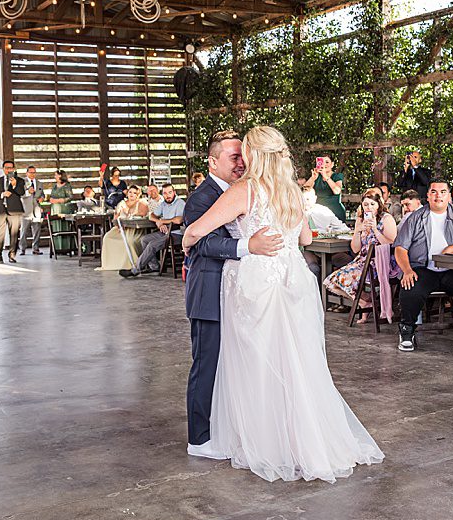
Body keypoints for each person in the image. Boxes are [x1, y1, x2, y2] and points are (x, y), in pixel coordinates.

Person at [182, 125, 384, 482]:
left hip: (257, 282)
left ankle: (264, 441)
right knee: (295, 363)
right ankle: (300, 441)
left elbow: (195, 232)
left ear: (254, 155)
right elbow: (305, 237)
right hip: (294, 281)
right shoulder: (291, 190)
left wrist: (187, 239)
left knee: (256, 364)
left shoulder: (247, 190)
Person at [180, 130, 283, 459]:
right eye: (233, 157)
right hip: (209, 291)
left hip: (240, 291)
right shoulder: (201, 197)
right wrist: (247, 247)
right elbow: (202, 243)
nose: (241, 163)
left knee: (234, 364)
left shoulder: (252, 190)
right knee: (207, 364)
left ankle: (230, 428)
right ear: (212, 161)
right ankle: (199, 439)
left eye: (243, 156)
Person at [394, 178, 453, 355]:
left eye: (443, 192)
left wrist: (452, 248)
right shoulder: (415, 217)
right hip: (424, 268)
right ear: (427, 195)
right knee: (410, 286)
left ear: (449, 196)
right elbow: (400, 248)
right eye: (434, 192)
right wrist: (407, 270)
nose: (438, 196)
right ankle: (406, 332)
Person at [324, 189, 398, 322]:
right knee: (330, 282)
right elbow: (356, 249)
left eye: (372, 204)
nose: (369, 208)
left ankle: (367, 303)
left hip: (381, 262)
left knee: (342, 278)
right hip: (362, 261)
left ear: (378, 205)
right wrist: (357, 231)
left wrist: (375, 229)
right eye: (365, 204)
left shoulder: (387, 219)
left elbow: (391, 244)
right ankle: (365, 302)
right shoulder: (360, 219)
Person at [119, 184, 185, 277]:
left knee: (152, 245)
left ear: (174, 192)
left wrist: (162, 221)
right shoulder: (164, 204)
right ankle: (154, 267)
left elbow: (178, 220)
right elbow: (151, 215)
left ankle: (135, 270)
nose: (167, 195)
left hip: (177, 235)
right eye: (165, 193)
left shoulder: (180, 203)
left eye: (170, 192)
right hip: (165, 232)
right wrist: (158, 221)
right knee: (144, 239)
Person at [99, 184, 151, 271]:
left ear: (138, 195)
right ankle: (113, 264)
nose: (131, 194)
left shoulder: (142, 202)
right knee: (107, 237)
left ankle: (133, 264)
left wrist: (130, 214)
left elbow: (143, 214)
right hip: (121, 228)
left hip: (135, 229)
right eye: (130, 192)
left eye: (134, 193)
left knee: (130, 241)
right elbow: (115, 219)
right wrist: (118, 222)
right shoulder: (122, 203)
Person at [0, 160, 26, 263]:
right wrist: (2, 194)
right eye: (7, 168)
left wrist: (14, 185)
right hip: (1, 211)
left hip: (15, 211)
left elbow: (21, 193)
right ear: (3, 169)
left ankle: (12, 255)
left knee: (14, 234)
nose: (9, 170)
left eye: (11, 168)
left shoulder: (20, 180)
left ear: (14, 169)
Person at [308, 155, 346, 221]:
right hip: (319, 213)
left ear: (332, 164)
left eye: (327, 162)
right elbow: (305, 190)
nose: (324, 164)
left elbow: (337, 191)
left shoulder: (337, 176)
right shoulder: (316, 177)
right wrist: (312, 178)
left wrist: (325, 176)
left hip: (335, 212)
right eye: (322, 162)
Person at [19, 165, 45, 255]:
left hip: (37, 210)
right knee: (24, 231)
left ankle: (36, 248)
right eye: (31, 172)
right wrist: (27, 192)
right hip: (26, 210)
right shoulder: (22, 182)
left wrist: (42, 198)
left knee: (37, 231)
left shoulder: (39, 183)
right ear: (27, 173)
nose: (32, 174)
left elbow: (43, 195)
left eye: (34, 172)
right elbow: (19, 195)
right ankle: (22, 249)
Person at [48, 170, 75, 254]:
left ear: (60, 176)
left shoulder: (67, 186)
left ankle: (66, 248)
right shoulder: (55, 186)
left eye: (56, 175)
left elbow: (70, 197)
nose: (54, 176)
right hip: (55, 209)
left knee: (65, 227)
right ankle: (57, 248)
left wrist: (60, 200)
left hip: (64, 208)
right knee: (56, 227)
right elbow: (52, 196)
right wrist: (51, 200)